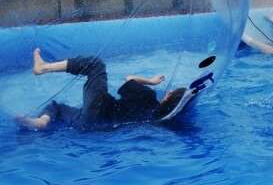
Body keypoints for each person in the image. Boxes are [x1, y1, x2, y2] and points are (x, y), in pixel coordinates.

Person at [16, 49, 187, 130]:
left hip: (99, 111)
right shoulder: (154, 118)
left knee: (96, 65)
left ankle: (43, 67)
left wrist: (151, 81)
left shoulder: (148, 96)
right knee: (58, 107)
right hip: (94, 127)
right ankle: (41, 122)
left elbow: (129, 79)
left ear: (169, 95)